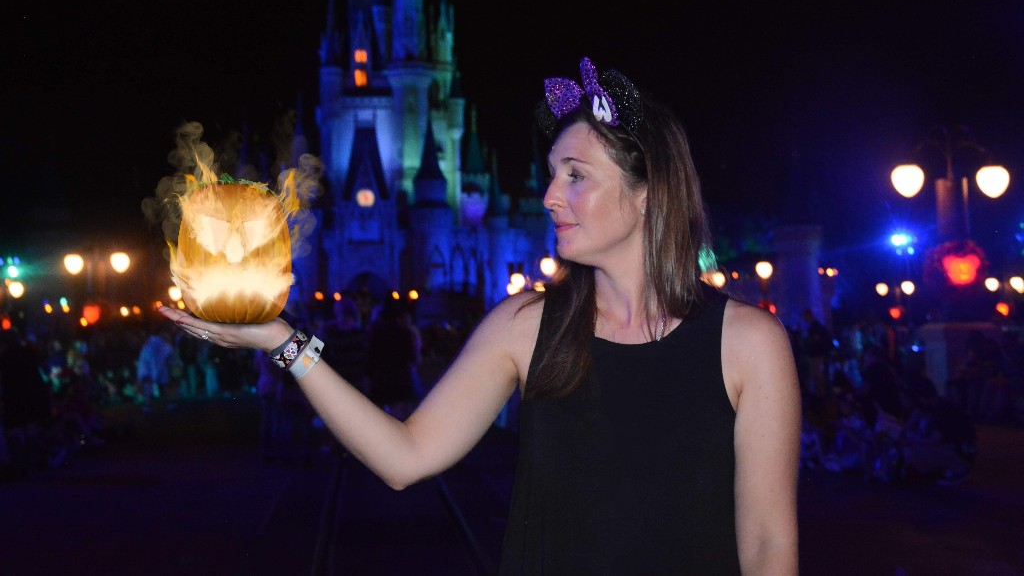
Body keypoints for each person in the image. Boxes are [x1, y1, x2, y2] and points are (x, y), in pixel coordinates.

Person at [159, 56, 801, 573]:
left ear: (648, 193)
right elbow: (404, 456)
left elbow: (769, 545)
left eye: (575, 175)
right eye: (551, 173)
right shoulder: (526, 327)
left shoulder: (746, 344)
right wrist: (281, 338)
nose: (549, 196)